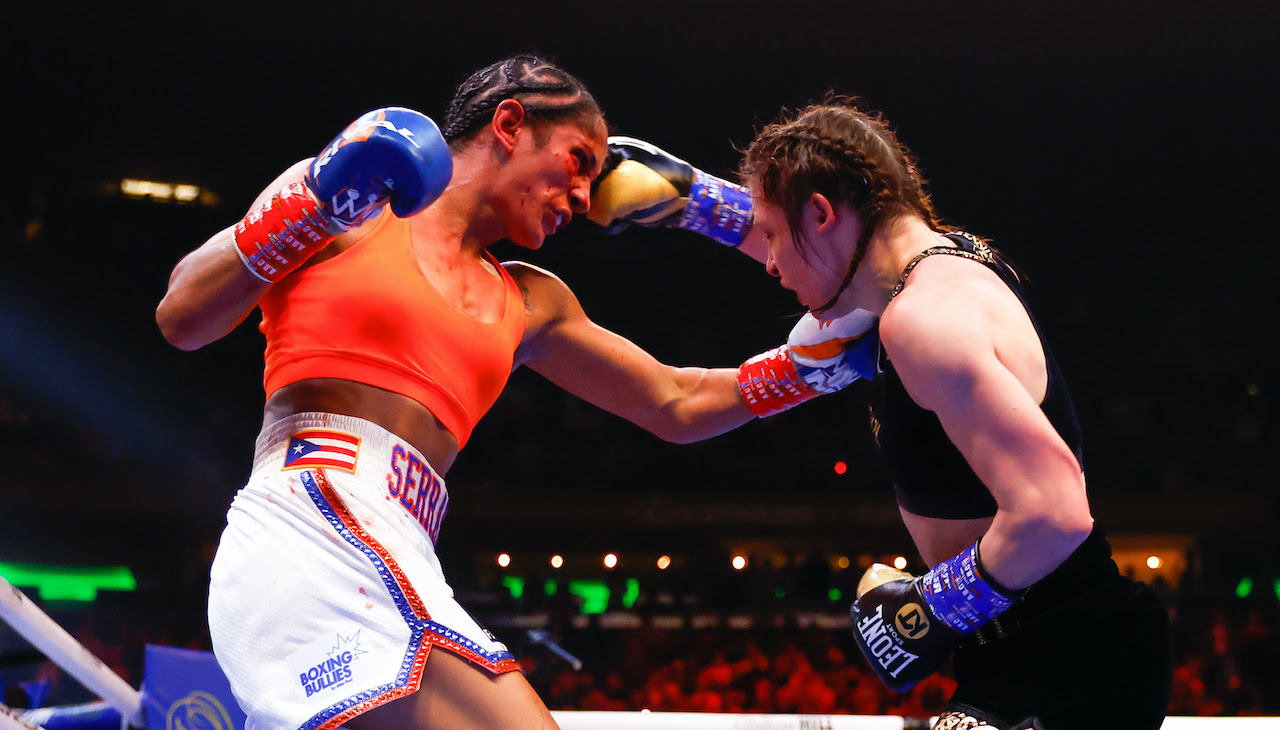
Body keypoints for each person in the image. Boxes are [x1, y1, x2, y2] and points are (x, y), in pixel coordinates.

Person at [155, 56, 873, 730]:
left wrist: (813, 366)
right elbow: (182, 316)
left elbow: (676, 405)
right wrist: (316, 200)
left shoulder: (530, 300)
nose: (588, 196)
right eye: (577, 162)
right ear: (509, 126)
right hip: (308, 523)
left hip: (401, 542)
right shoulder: (355, 207)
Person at [589, 98, 1174, 728]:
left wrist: (929, 610)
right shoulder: (933, 274)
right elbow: (810, 243)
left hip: (1067, 660)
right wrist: (695, 202)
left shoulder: (925, 321)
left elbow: (1054, 513)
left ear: (819, 214)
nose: (769, 262)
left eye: (777, 238)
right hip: (1039, 649)